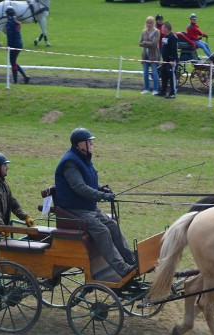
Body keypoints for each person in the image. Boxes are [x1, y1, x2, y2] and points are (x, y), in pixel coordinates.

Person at [55, 127, 137, 281]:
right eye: (89, 142)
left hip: (88, 207)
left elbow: (87, 180)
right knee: (102, 231)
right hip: (74, 209)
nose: (92, 144)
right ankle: (122, 268)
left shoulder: (83, 158)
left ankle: (131, 260)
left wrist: (101, 188)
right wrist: (101, 195)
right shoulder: (70, 162)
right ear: (80, 144)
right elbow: (78, 186)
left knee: (112, 225)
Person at [5, 6, 30, 84]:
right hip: (19, 43)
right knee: (13, 61)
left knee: (12, 62)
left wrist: (8, 46)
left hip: (13, 44)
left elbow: (10, 36)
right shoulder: (16, 21)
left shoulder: (9, 23)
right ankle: (24, 77)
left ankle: (17, 80)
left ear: (7, 14)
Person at [139, 16, 160, 96]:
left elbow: (154, 44)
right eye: (147, 22)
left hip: (154, 55)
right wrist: (148, 43)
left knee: (155, 73)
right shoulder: (143, 32)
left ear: (153, 23)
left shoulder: (157, 32)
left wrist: (145, 42)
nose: (149, 24)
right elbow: (140, 43)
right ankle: (146, 88)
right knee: (145, 73)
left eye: (150, 22)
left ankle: (155, 89)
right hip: (145, 55)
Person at [159, 21, 178, 99]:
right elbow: (163, 49)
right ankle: (163, 91)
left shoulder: (172, 37)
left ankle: (173, 92)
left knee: (171, 75)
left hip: (171, 61)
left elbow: (174, 49)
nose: (161, 29)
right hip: (165, 60)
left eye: (162, 28)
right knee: (163, 74)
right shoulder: (164, 37)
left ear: (166, 29)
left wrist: (172, 60)